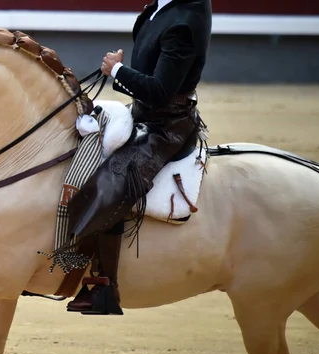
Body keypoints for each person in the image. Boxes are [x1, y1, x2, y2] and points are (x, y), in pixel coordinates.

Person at [65, 0, 212, 314]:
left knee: (113, 181)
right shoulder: (158, 9)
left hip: (166, 126)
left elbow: (160, 91)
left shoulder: (183, 22)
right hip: (143, 113)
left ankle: (105, 289)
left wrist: (118, 70)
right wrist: (125, 72)